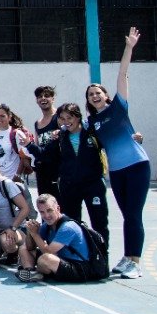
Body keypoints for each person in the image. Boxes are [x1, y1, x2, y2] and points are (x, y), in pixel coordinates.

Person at [86, 27, 149, 279]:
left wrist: (129, 47)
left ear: (106, 95)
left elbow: (123, 74)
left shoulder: (119, 109)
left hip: (136, 165)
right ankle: (128, 257)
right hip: (116, 171)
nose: (95, 96)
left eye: (98, 92)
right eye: (91, 95)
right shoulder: (93, 124)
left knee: (134, 214)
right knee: (126, 215)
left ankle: (136, 261)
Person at [44, 103, 109, 244]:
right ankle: (77, 258)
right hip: (70, 186)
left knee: (99, 223)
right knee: (72, 223)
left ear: (78, 117)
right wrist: (29, 146)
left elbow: (112, 142)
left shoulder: (92, 132)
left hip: (93, 185)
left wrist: (134, 139)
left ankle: (102, 259)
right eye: (62, 118)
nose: (66, 121)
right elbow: (44, 156)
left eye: (70, 117)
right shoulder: (60, 137)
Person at [17, 194, 103, 283]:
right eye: (42, 212)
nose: (46, 215)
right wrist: (30, 232)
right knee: (23, 247)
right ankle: (30, 271)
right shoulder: (47, 226)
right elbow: (30, 247)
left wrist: (35, 234)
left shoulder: (68, 227)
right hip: (61, 260)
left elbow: (49, 252)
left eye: (49, 210)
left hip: (79, 267)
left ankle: (39, 273)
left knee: (45, 258)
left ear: (58, 209)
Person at [30, 85, 62, 200]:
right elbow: (38, 147)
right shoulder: (37, 123)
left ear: (53, 99)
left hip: (58, 170)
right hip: (43, 171)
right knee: (45, 203)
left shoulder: (60, 117)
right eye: (40, 97)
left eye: (47, 96)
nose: (43, 98)